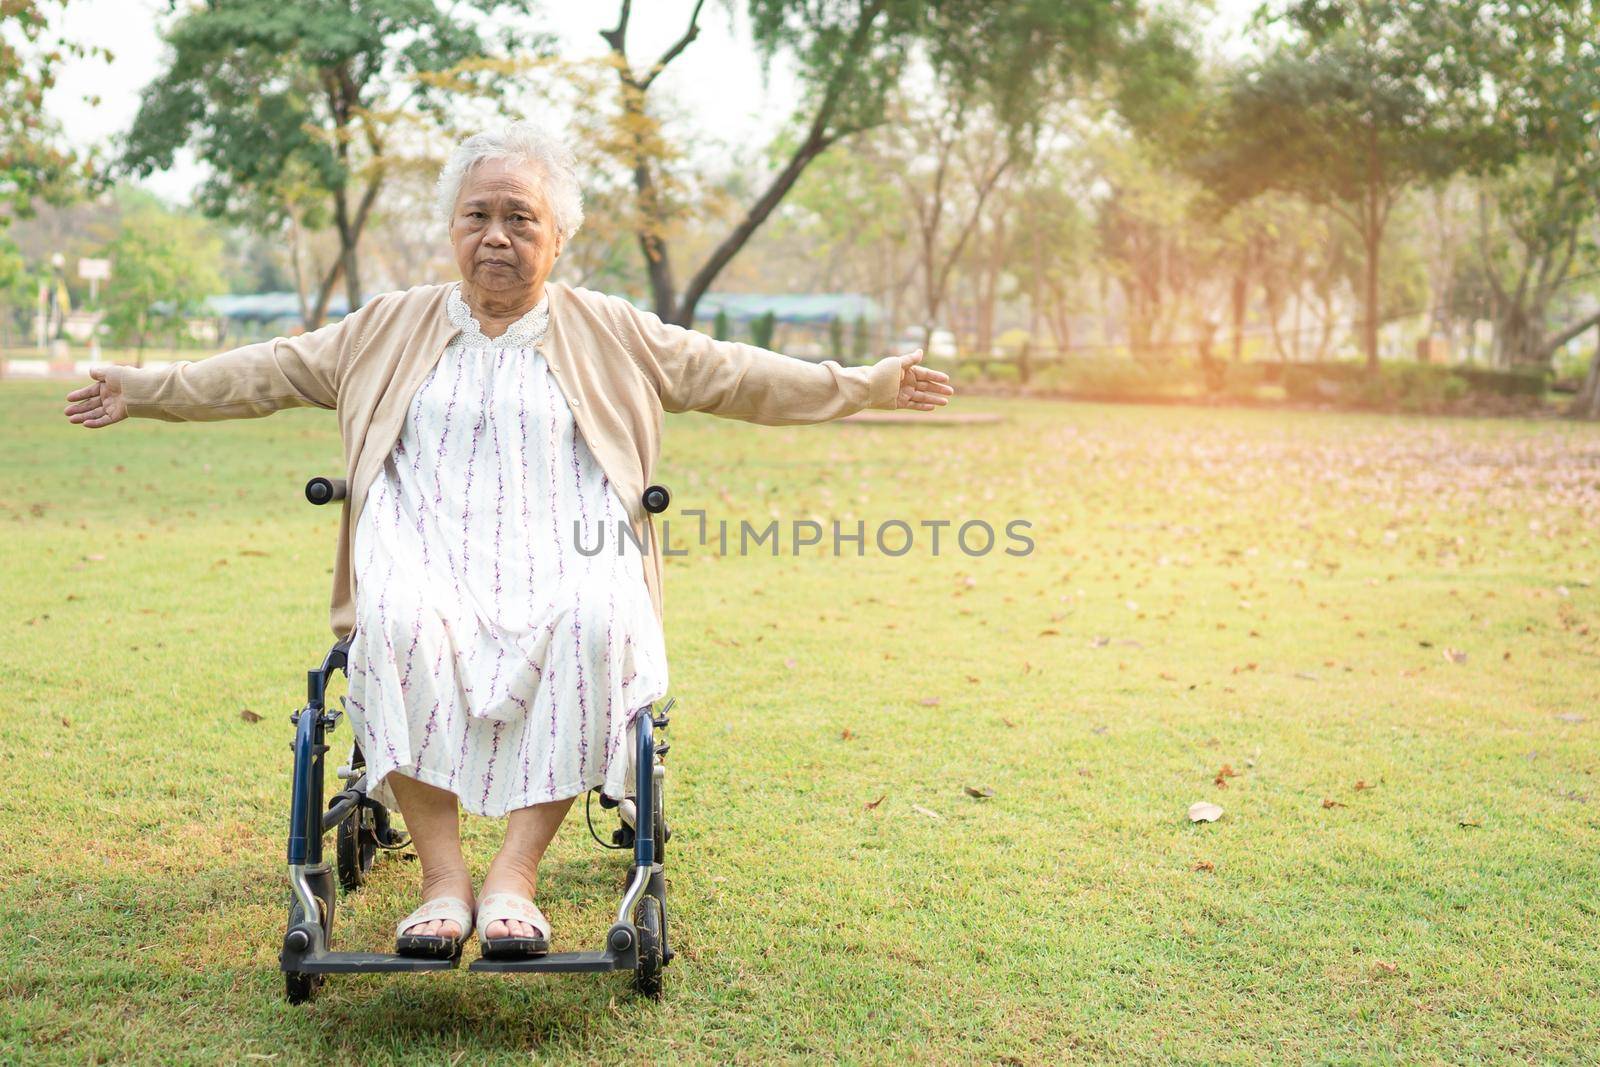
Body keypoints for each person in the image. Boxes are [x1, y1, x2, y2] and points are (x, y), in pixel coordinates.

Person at [61, 120, 955, 961]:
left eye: (520, 217)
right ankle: (444, 881)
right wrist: (144, 387)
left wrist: (865, 382)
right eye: (477, 216)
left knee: (602, 622)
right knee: (398, 621)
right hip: (424, 547)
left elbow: (739, 374)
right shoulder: (389, 326)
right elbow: (267, 370)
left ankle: (514, 876)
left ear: (557, 236)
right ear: (453, 230)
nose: (496, 235)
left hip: (571, 550)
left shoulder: (611, 329)